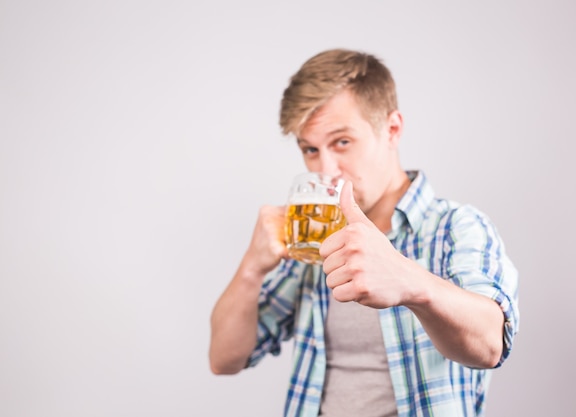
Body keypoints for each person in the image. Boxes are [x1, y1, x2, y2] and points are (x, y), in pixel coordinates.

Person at [209, 48, 520, 417]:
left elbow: (490, 346)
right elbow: (224, 358)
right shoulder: (315, 243)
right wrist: (251, 268)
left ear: (392, 129)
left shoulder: (457, 227)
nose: (325, 170)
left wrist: (410, 282)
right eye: (310, 149)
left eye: (342, 142)